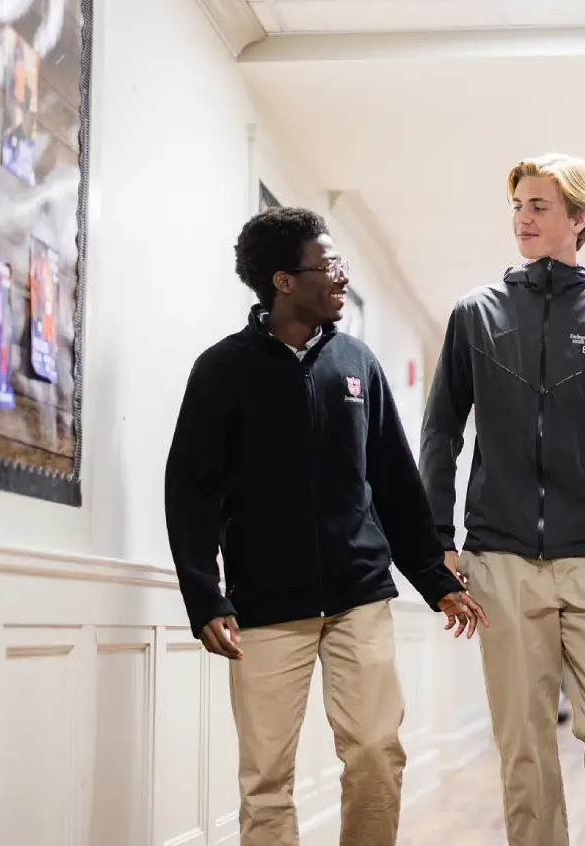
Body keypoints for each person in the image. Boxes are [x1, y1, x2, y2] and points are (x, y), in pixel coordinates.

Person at [165, 207, 487, 846]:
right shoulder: (222, 370)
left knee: (375, 752)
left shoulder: (357, 363)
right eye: (329, 266)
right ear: (283, 281)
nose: (341, 277)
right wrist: (205, 595)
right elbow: (190, 490)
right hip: (263, 607)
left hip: (358, 595)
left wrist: (432, 576)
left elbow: (393, 482)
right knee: (265, 778)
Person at [420, 153, 585, 846]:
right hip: (502, 557)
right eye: (518, 205)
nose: (524, 218)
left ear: (579, 218)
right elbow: (442, 429)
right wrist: (436, 538)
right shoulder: (475, 314)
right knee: (525, 744)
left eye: (540, 205)